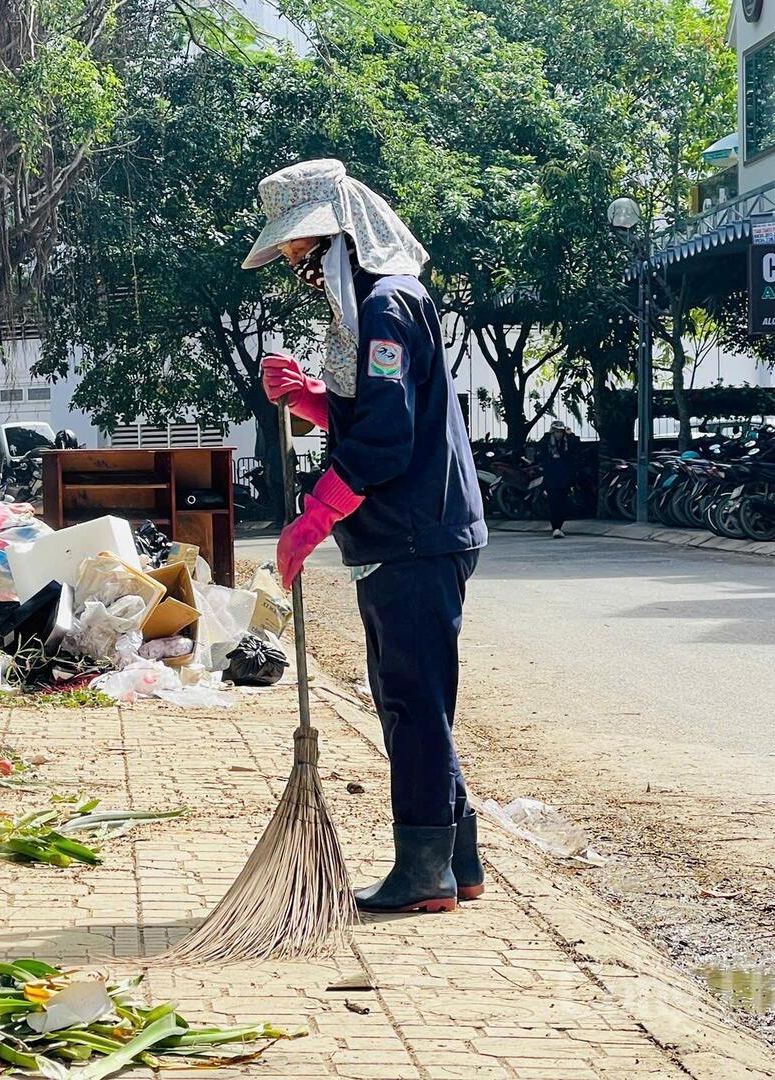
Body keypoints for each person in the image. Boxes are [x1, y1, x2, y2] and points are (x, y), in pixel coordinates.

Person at [247, 159, 488, 914]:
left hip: (414, 534)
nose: (299, 269)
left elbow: (386, 439)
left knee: (411, 703)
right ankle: (458, 863)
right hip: (412, 531)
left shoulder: (386, 306)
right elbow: (382, 412)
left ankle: (424, 874)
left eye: (302, 253)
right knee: (415, 700)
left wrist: (312, 521)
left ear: (338, 241)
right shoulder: (384, 304)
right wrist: (311, 397)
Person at [535, 420, 577, 538]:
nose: (559, 434)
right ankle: (555, 527)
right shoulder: (547, 442)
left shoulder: (567, 442)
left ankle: (559, 526)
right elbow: (540, 454)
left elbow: (575, 450)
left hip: (564, 477)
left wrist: (571, 435)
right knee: (553, 502)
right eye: (556, 431)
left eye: (560, 432)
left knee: (563, 503)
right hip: (551, 477)